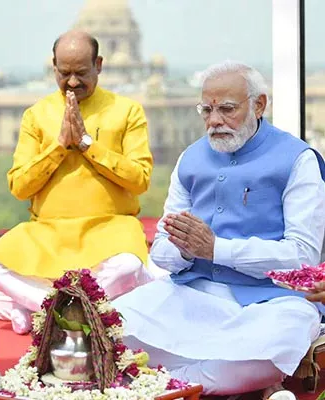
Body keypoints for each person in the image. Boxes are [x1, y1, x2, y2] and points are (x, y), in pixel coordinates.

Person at [111, 60, 325, 399]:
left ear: (259, 105)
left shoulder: (298, 159)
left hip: (271, 301)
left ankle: (157, 383)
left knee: (272, 348)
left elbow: (302, 257)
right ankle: (224, 385)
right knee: (110, 326)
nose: (214, 121)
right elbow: (163, 253)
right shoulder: (191, 159)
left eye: (226, 109)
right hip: (193, 293)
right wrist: (185, 248)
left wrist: (217, 249)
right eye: (206, 110)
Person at [0, 29, 155, 334]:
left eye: (81, 73)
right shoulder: (36, 115)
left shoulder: (127, 111)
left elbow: (140, 179)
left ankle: (37, 305)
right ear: (53, 67)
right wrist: (58, 147)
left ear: (99, 65)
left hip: (110, 228)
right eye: (64, 73)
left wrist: (87, 145)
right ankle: (62, 306)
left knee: (129, 266)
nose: (72, 82)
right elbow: (19, 186)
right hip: (49, 232)